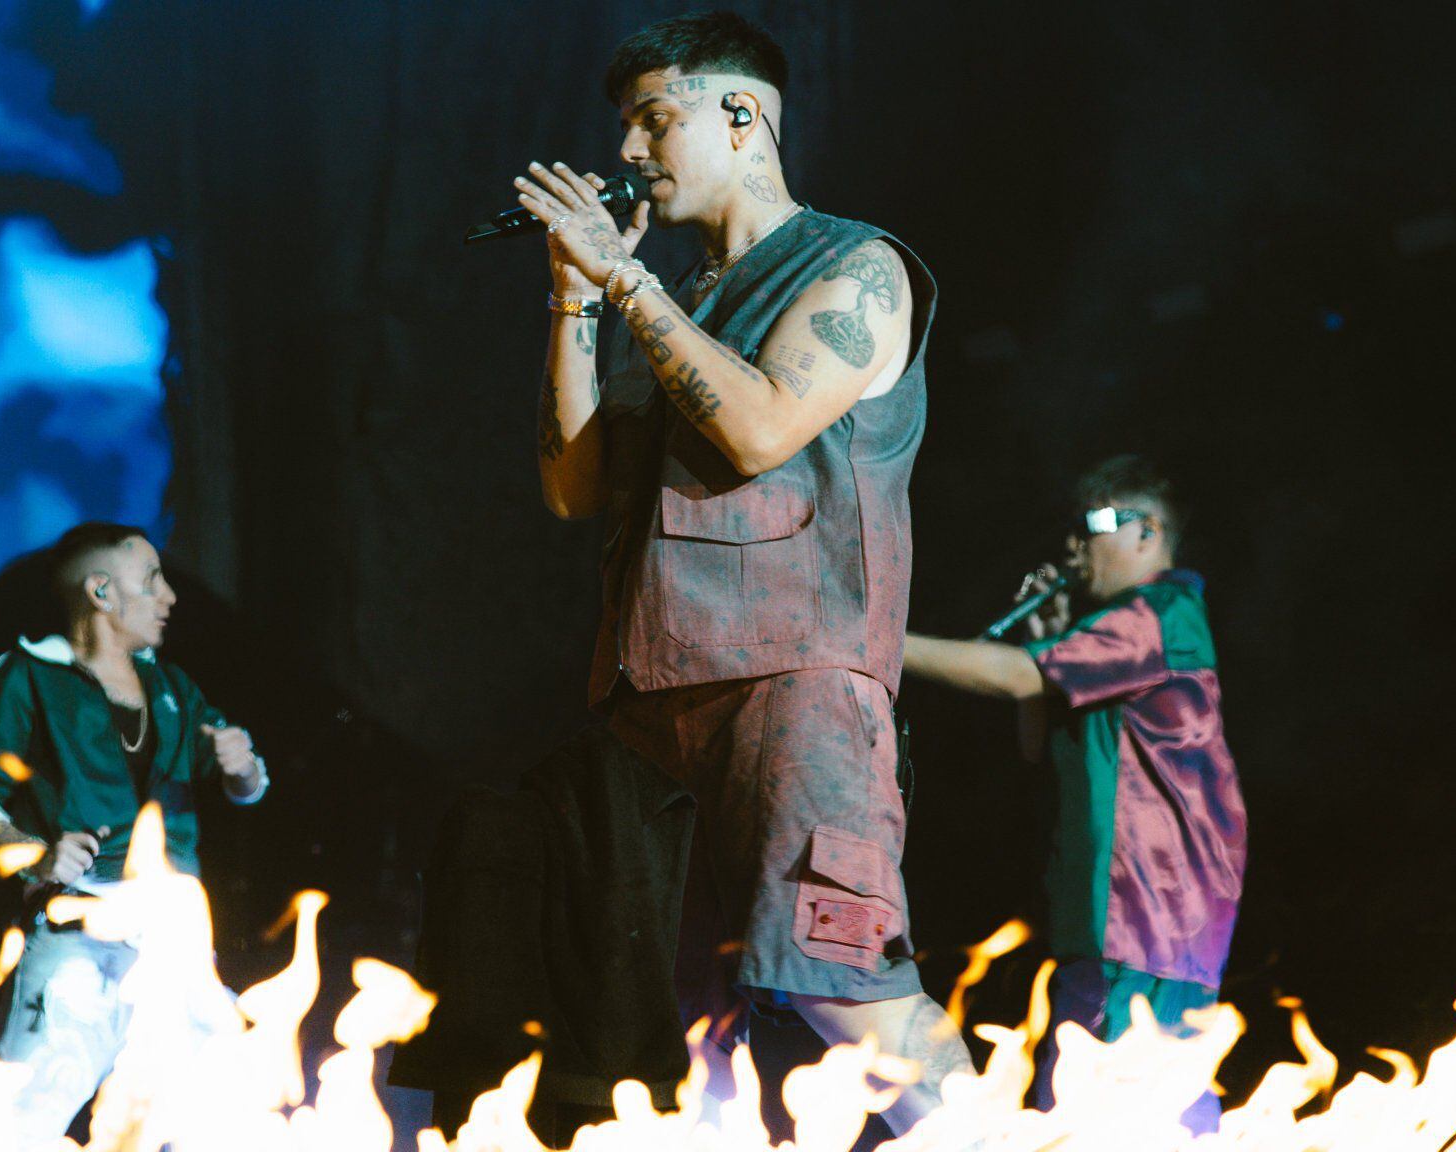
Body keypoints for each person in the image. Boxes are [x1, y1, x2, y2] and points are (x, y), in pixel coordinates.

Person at [513, 10, 971, 1132]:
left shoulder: (853, 266)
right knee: (691, 1029)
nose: (627, 153)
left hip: (793, 686)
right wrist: (576, 292)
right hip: (650, 703)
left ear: (741, 115)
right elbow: (573, 489)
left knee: (841, 986)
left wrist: (625, 285)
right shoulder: (671, 302)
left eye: (651, 121)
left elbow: (761, 428)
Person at [899, 456, 1245, 1132]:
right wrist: (1046, 640)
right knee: (1106, 1104)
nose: (1073, 545)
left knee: (1122, 1110)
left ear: (1147, 533)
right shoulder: (1114, 642)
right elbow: (1036, 733)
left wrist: (874, 641)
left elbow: (1016, 678)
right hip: (1111, 916)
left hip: (1151, 910)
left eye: (1095, 526)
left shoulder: (1159, 612)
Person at [0, 522, 269, 1145]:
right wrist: (33, 853)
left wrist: (243, 768)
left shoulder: (172, 688)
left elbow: (245, 783)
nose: (169, 596)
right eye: (151, 581)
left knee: (225, 1118)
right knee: (22, 1118)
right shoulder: (24, 678)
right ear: (100, 592)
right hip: (79, 937)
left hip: (174, 945)